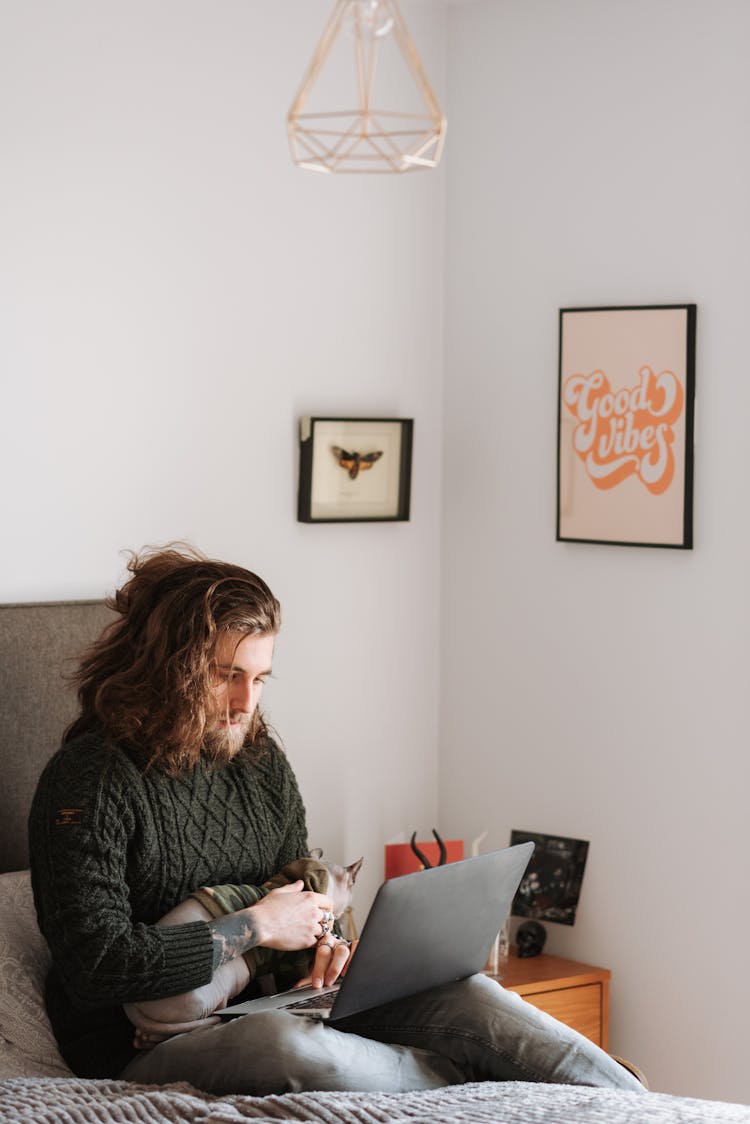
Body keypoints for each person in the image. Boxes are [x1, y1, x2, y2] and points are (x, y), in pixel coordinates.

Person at [28, 545, 645, 1096]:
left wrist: (329, 945)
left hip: (281, 1000)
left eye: (261, 678)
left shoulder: (259, 757)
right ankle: (474, 1085)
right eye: (225, 677)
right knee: (287, 1049)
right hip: (142, 1047)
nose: (247, 702)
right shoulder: (90, 780)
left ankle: (633, 1102)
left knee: (473, 994)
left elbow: (299, 890)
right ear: (168, 668)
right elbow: (99, 963)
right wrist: (254, 927)